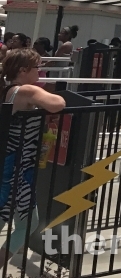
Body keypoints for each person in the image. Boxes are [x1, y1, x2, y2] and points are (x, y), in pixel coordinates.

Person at [0, 49, 65, 254]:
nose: (40, 71)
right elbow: (57, 103)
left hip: (15, 165)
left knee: (25, 222)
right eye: (37, 67)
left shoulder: (7, 90)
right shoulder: (26, 91)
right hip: (15, 168)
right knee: (25, 223)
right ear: (23, 70)